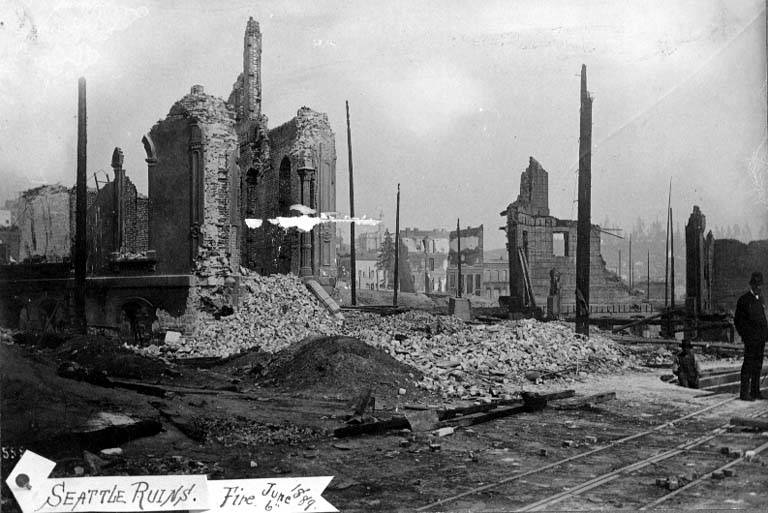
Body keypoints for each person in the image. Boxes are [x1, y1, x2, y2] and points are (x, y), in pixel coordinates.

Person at [734, 272, 768, 401]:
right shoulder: (744, 300)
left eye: (760, 285)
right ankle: (744, 393)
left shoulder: (760, 300)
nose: (758, 288)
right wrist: (746, 336)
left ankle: (755, 391)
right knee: (748, 365)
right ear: (752, 285)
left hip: (760, 340)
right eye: (756, 285)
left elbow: (763, 320)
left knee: (758, 365)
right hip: (751, 340)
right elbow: (738, 321)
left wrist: (766, 335)